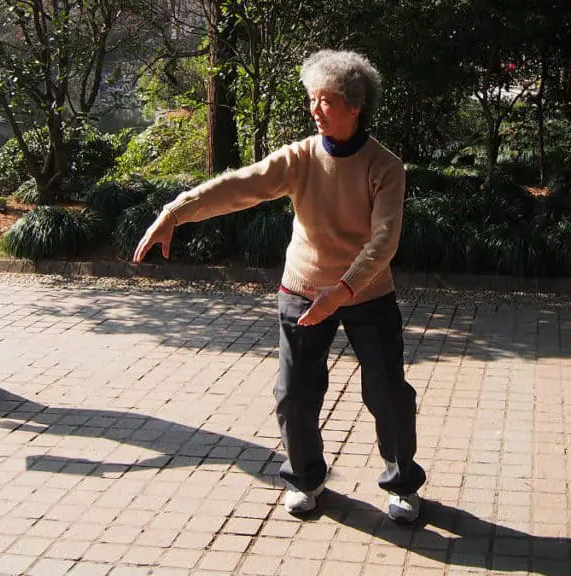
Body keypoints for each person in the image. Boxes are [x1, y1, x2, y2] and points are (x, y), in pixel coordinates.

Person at [134, 49, 425, 522]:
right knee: (294, 391)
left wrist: (343, 291)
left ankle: (401, 479)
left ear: (355, 105)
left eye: (326, 100)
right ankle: (305, 478)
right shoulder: (301, 158)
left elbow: (384, 241)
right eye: (312, 99)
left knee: (388, 391)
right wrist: (176, 211)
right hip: (303, 288)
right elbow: (240, 185)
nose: (315, 109)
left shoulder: (385, 167)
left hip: (366, 292)